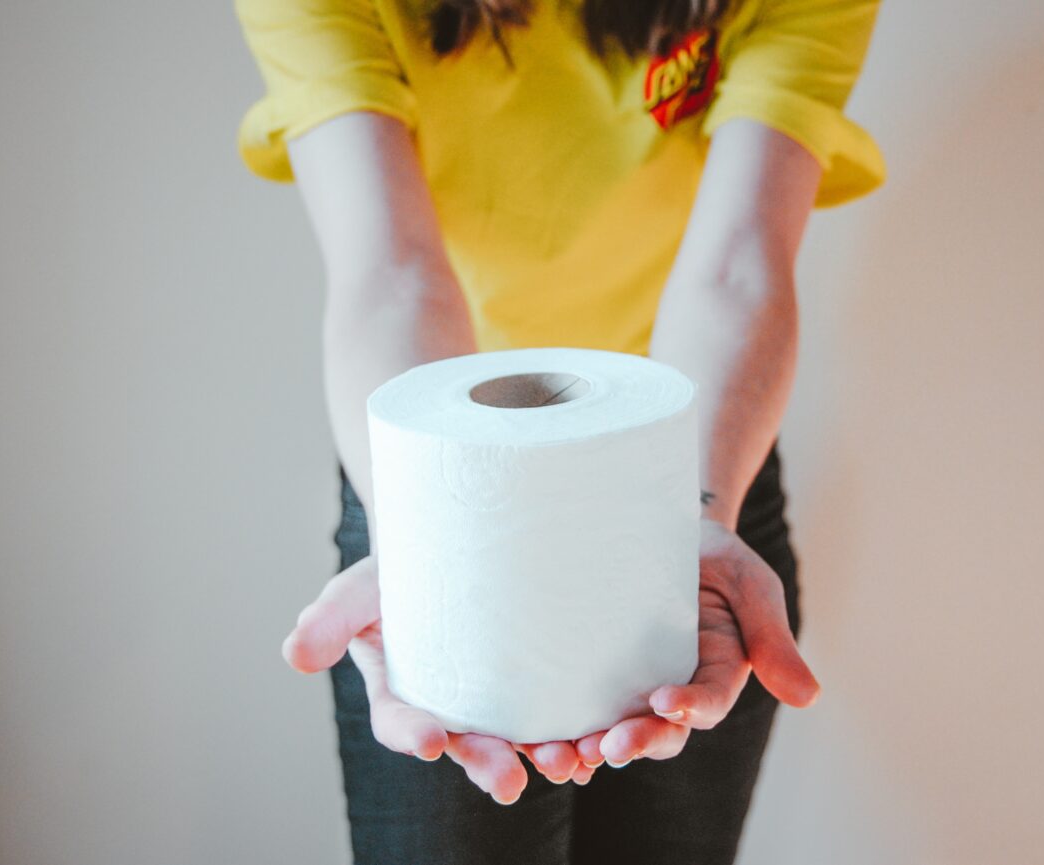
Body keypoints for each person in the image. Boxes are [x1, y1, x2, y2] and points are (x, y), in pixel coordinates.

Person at [234, 1, 885, 862]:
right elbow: (391, 272)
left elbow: (738, 265)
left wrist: (693, 518)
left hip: (693, 468)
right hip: (440, 492)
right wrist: (429, 554)